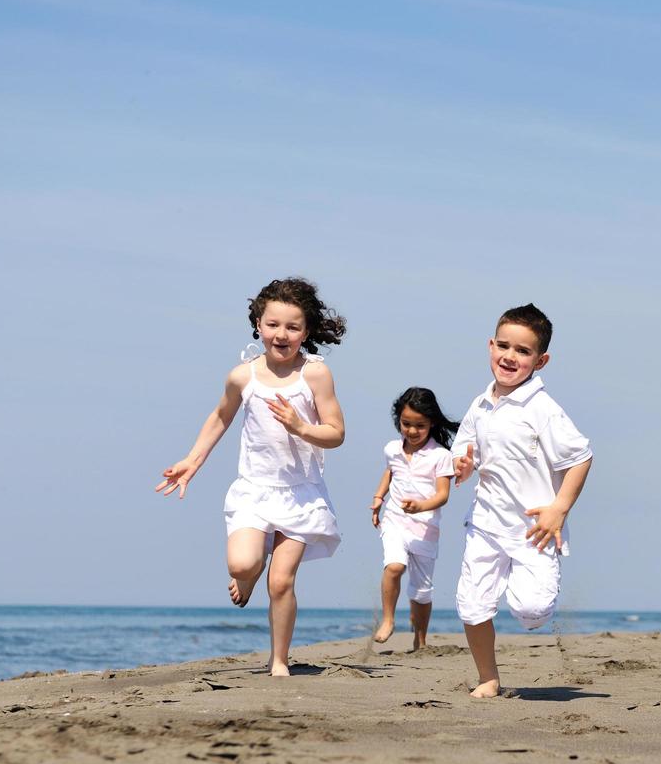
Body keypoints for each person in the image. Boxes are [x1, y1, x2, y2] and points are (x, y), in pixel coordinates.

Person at [156, 277, 347, 676]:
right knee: (242, 565)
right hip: (254, 491)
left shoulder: (315, 375)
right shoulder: (243, 376)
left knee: (281, 583)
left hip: (300, 495)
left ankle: (279, 659)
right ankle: (250, 573)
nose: (282, 334)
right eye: (273, 324)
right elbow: (221, 416)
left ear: (307, 332)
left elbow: (336, 433)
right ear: (258, 324)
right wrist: (193, 460)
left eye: (293, 327)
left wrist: (300, 427)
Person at [451, 304, 593, 698]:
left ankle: (528, 593)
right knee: (472, 606)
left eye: (523, 351)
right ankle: (488, 679)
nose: (509, 357)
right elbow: (465, 451)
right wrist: (462, 466)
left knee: (531, 612)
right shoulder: (480, 404)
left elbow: (580, 457)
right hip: (485, 522)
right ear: (490, 346)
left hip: (535, 529)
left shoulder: (542, 408)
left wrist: (558, 510)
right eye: (503, 346)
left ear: (540, 360)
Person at [370, 387, 458, 651]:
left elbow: (443, 495)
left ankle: (420, 641)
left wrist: (421, 506)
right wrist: (378, 499)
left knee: (421, 592)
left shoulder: (441, 456)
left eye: (419, 425)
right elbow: (390, 473)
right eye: (406, 424)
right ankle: (387, 620)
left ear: (432, 423)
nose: (412, 431)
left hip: (425, 530)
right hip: (394, 520)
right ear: (398, 420)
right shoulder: (392, 449)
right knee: (394, 566)